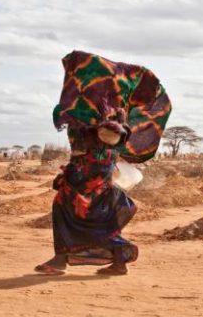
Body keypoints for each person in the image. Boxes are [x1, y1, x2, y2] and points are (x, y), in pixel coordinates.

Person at [35, 51, 172, 276]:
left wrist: (100, 128)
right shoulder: (83, 106)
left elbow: (115, 136)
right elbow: (62, 115)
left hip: (93, 169)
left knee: (81, 212)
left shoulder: (107, 110)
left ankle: (78, 257)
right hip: (84, 167)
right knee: (77, 210)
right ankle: (112, 258)